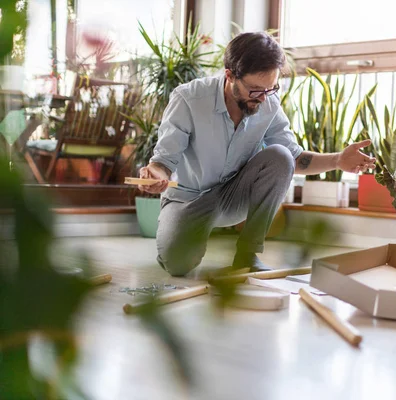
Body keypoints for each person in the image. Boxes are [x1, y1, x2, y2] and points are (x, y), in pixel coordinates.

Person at [138, 32, 375, 276]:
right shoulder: (189, 99)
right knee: (178, 266)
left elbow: (293, 159)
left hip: (232, 197)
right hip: (187, 201)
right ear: (230, 75)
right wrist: (154, 174)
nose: (262, 97)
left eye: (270, 88)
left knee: (280, 156)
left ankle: (246, 255)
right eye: (254, 90)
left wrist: (337, 160)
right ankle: (175, 238)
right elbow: (163, 161)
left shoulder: (267, 102)